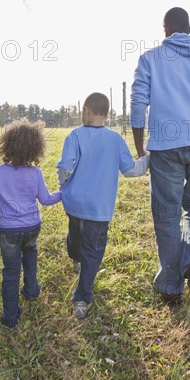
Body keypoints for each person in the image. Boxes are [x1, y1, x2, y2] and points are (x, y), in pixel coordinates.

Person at [130, 7, 190, 304]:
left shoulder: (150, 59)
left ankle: (171, 285)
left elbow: (137, 105)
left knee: (167, 213)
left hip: (166, 146)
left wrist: (140, 148)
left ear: (165, 30)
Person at [57, 92, 150, 319]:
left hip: (75, 203)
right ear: (107, 115)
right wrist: (148, 158)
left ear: (86, 111)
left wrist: (64, 186)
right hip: (98, 208)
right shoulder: (116, 139)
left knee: (75, 234)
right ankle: (82, 299)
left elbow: (64, 169)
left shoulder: (74, 136)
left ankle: (76, 259)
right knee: (93, 251)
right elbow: (130, 170)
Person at [0, 118, 61, 328]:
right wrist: (62, 194)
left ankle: (9, 316)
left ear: (6, 145)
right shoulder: (36, 173)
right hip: (32, 227)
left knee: (10, 270)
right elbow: (45, 199)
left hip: (8, 230)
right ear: (35, 148)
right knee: (31, 252)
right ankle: (32, 289)